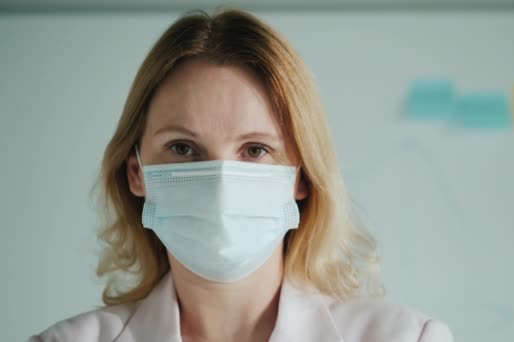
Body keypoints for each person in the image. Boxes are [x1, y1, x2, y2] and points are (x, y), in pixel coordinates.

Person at [29, 8, 453, 342]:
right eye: (183, 149)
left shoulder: (407, 338)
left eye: (255, 150)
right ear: (137, 172)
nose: (220, 185)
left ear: (301, 177)